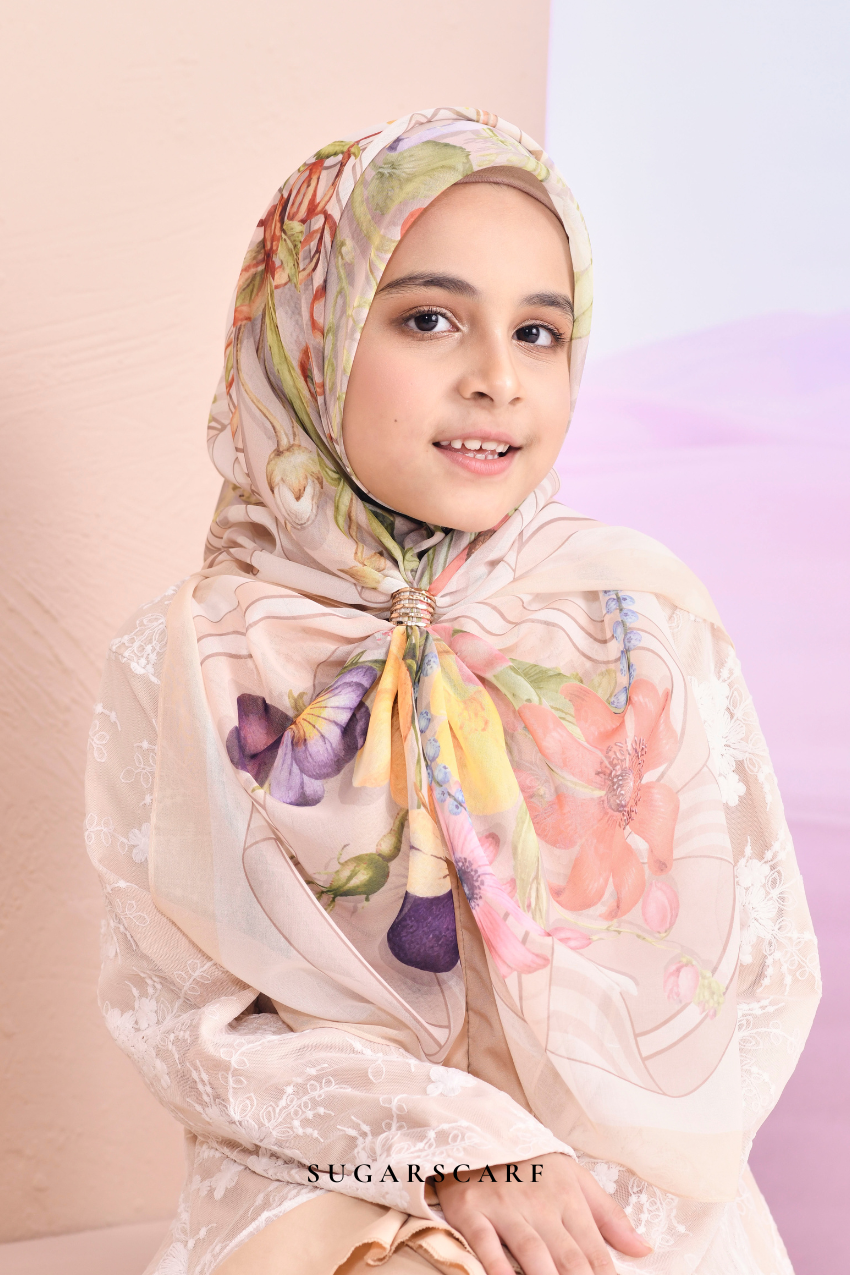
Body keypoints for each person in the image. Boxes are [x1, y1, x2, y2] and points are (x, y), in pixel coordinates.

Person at [85, 106, 820, 1275]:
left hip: (622, 1185)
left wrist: (572, 1166)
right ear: (310, 334)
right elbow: (193, 1019)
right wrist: (461, 1146)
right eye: (429, 319)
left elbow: (752, 976)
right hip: (326, 1166)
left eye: (539, 332)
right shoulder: (195, 654)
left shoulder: (638, 618)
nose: (496, 380)